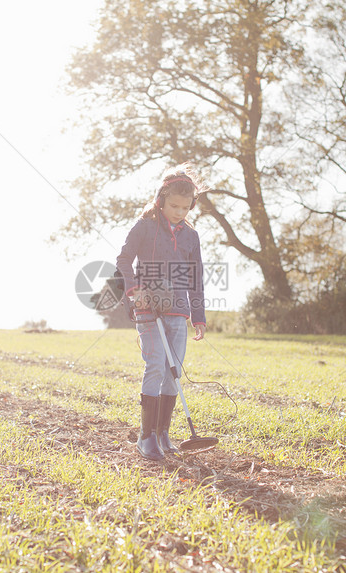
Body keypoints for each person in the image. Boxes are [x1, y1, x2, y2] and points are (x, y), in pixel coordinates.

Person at [115, 165, 207, 461]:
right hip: (148, 308)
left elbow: (196, 278)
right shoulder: (145, 226)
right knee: (155, 364)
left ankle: (163, 432)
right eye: (173, 206)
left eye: (185, 207)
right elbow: (124, 260)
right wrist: (134, 290)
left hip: (178, 311)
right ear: (160, 200)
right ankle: (147, 437)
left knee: (173, 370)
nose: (179, 212)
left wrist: (199, 316)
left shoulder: (191, 236)